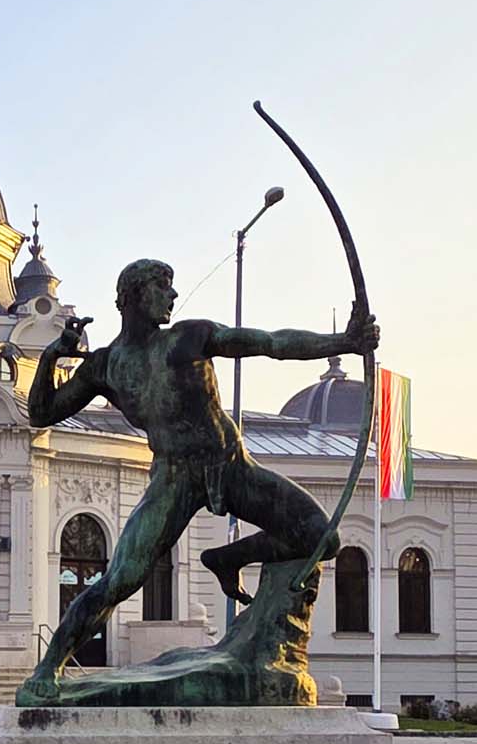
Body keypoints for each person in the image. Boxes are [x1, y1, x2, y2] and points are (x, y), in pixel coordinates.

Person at [20, 257, 378, 700]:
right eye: (162, 286)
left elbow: (271, 343)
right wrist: (52, 356)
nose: (172, 295)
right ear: (134, 295)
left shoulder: (189, 337)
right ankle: (47, 671)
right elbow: (41, 413)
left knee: (323, 537)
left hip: (229, 467)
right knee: (121, 579)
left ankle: (228, 558)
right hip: (174, 477)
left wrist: (343, 342)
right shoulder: (105, 366)